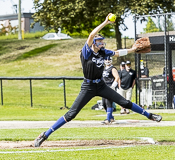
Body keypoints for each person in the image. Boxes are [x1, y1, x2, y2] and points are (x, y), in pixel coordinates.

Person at [34, 13, 162, 147]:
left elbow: (117, 52)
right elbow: (90, 35)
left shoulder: (103, 52)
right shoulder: (86, 52)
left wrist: (132, 50)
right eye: (99, 41)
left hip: (100, 85)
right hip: (88, 87)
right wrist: (106, 22)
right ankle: (45, 135)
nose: (101, 43)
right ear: (93, 43)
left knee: (124, 102)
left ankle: (150, 115)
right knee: (71, 114)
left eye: (102, 41)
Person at [101, 56, 119, 124]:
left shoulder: (112, 68)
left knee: (108, 102)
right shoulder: (104, 68)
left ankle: (108, 119)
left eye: (109, 60)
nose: (107, 61)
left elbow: (117, 77)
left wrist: (113, 85)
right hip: (103, 87)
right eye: (106, 59)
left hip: (109, 86)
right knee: (104, 103)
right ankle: (111, 117)